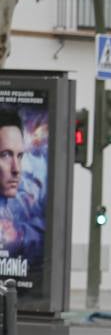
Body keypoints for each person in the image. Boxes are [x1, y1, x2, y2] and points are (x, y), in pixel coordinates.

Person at [0, 107, 41, 263]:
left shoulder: (22, 204)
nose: (16, 169)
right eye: (6, 155)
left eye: (20, 156)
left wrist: (19, 234)